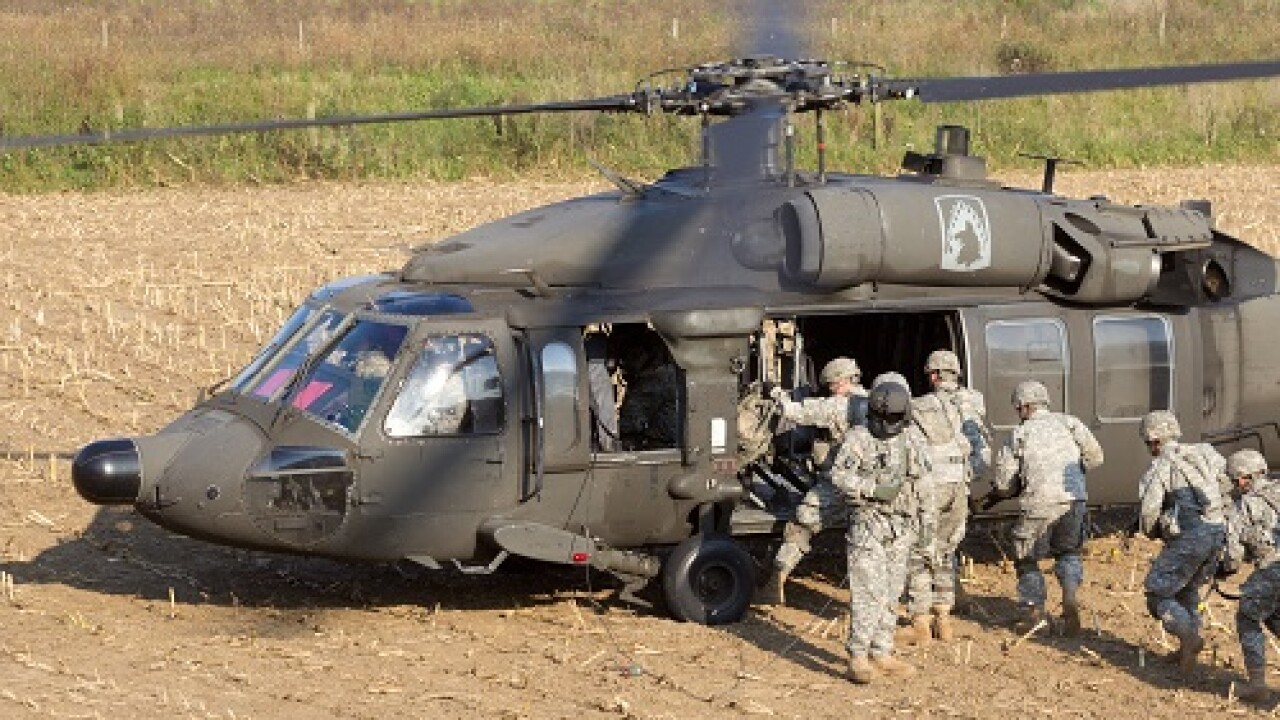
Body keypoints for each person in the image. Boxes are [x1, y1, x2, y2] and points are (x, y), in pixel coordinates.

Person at [831, 373, 933, 683]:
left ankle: (883, 651)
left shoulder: (912, 439)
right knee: (867, 592)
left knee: (891, 592)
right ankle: (858, 657)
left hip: (901, 528)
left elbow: (924, 485)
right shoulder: (858, 438)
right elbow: (839, 477)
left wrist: (927, 529)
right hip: (868, 526)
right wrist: (872, 489)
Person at [989, 380, 1103, 634]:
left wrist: (1012, 487)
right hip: (1074, 500)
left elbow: (1004, 484)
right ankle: (1070, 597)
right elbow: (1096, 457)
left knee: (1026, 557)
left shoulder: (1018, 434)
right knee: (1068, 552)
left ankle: (1034, 614)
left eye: (1018, 409)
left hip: (1039, 502)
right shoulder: (1070, 423)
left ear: (1025, 406)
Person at [898, 349, 992, 644]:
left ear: (934, 375)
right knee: (946, 553)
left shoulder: (922, 405)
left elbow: (907, 449)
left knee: (919, 553)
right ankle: (944, 620)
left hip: (931, 489)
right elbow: (983, 453)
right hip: (958, 488)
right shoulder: (973, 402)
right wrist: (965, 475)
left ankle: (920, 624)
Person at [759, 357, 869, 605]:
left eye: (830, 385)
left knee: (801, 526)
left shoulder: (836, 407)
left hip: (837, 485)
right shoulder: (875, 401)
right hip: (870, 486)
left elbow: (792, 412)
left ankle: (775, 582)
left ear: (840, 382)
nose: (829, 390)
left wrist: (774, 391)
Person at [1135, 410, 1228, 673]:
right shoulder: (1207, 452)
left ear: (1154, 441)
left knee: (1157, 593)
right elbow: (1229, 482)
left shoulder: (1161, 467)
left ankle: (1188, 636)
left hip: (1190, 536)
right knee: (1187, 590)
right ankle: (1187, 650)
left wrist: (1156, 531)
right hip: (1217, 533)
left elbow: (1148, 512)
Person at [1222, 449, 1279, 702]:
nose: (1236, 485)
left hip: (1273, 568)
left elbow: (1233, 556)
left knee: (1247, 616)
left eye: (1236, 480)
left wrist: (1223, 569)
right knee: (1274, 616)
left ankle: (1257, 684)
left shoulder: (1245, 505)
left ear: (1244, 478)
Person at [615, 326, 681, 450]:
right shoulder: (671, 373)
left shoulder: (652, 381)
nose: (624, 364)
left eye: (627, 357)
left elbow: (630, 423)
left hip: (659, 446)